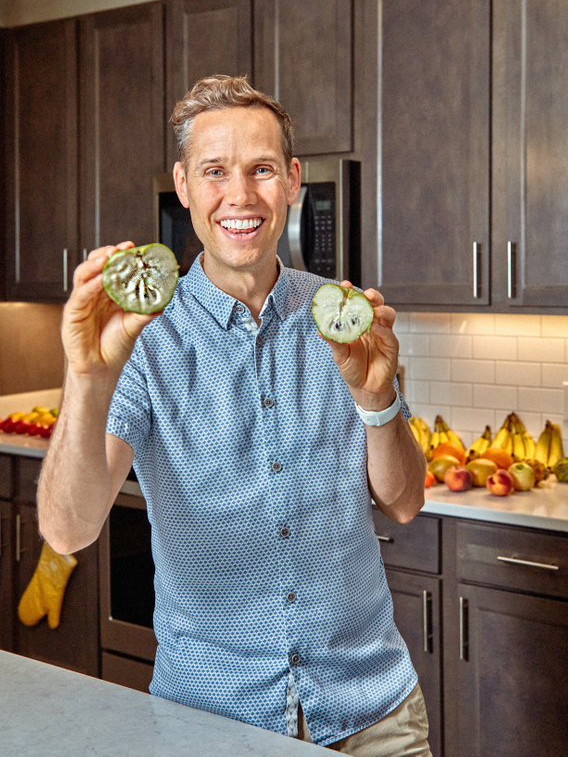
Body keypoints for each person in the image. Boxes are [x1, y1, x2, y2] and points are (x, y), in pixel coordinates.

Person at [37, 75, 431, 756]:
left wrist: (377, 400)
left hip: (375, 715)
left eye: (261, 169)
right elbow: (67, 529)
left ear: (292, 180)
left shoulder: (340, 317)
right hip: (210, 724)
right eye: (215, 171)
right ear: (184, 183)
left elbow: (403, 501)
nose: (240, 195)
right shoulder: (141, 337)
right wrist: (85, 379)